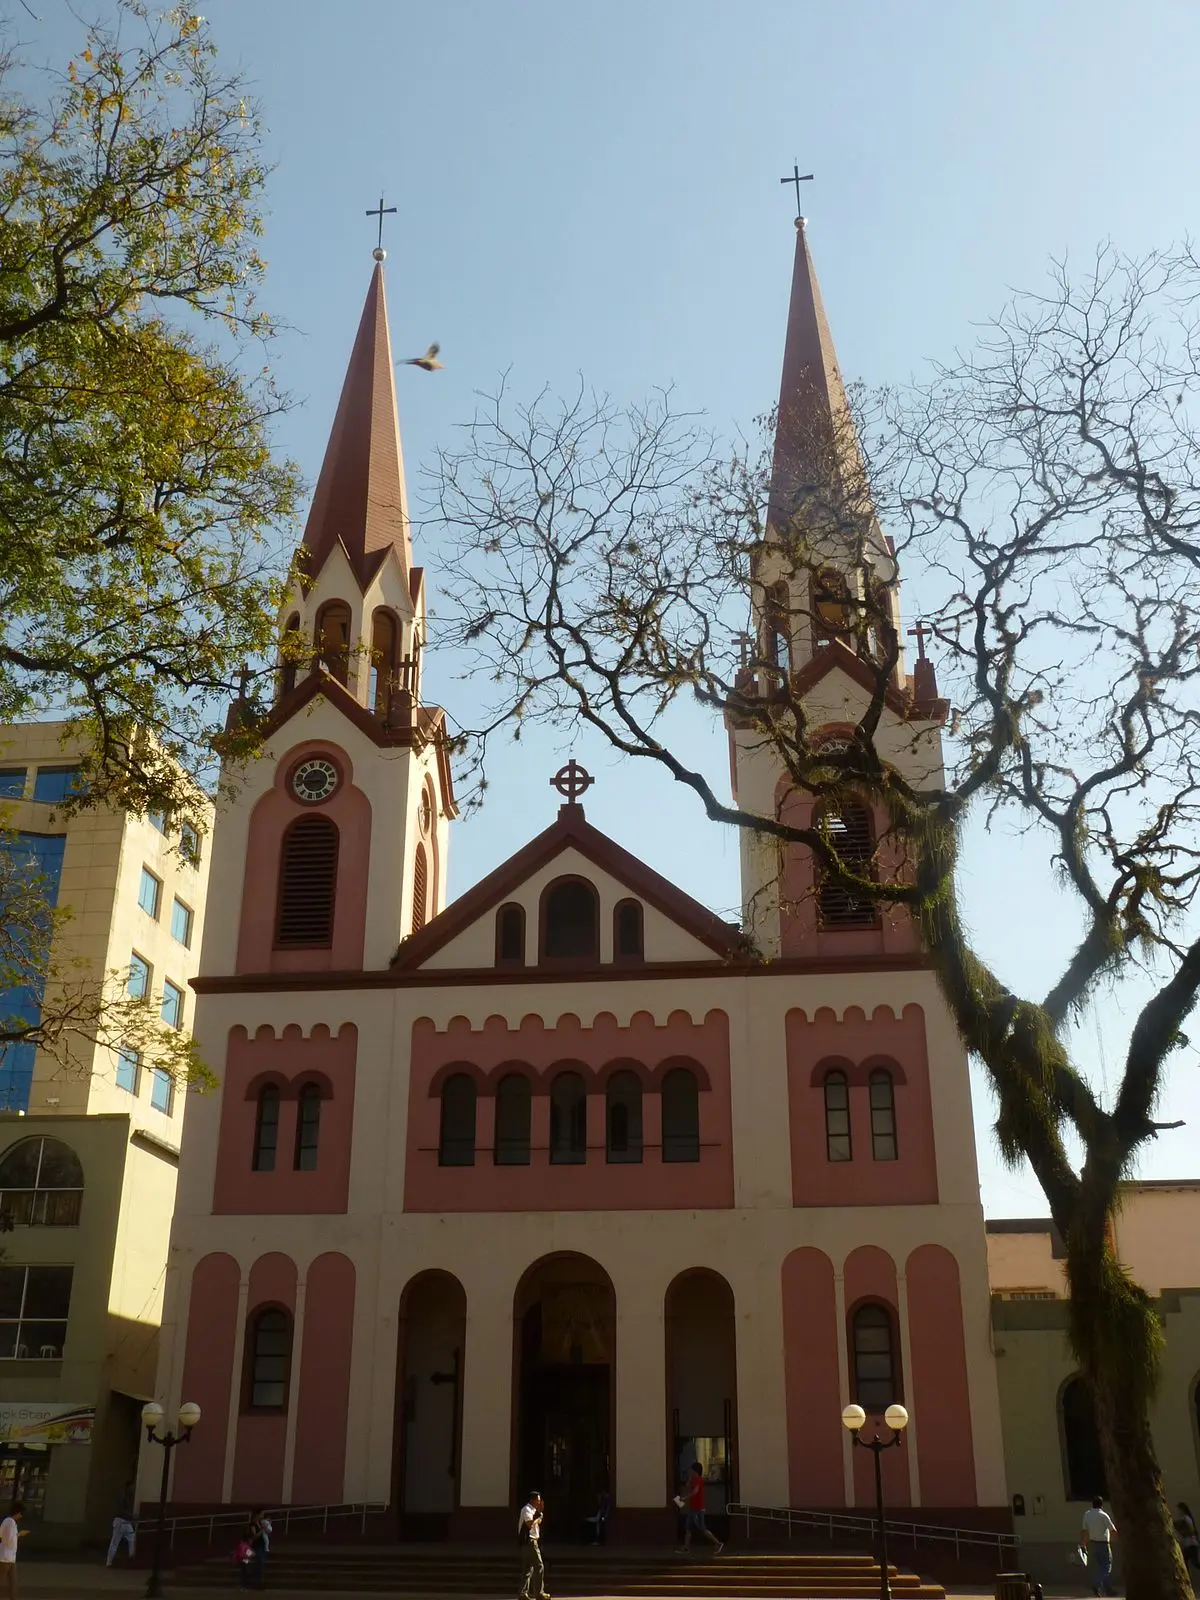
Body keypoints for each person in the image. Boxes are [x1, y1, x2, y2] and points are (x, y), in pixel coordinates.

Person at [676, 1462, 723, 1557]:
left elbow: (695, 1492)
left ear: (695, 1471)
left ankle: (718, 1543)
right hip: (693, 1508)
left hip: (698, 1509)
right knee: (688, 1527)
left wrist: (685, 1498)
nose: (690, 1472)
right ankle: (686, 1547)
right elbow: (688, 1488)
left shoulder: (698, 1480)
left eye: (691, 1470)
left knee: (702, 1529)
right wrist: (688, 1482)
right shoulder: (694, 1480)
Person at [1081, 1495, 1117, 1597]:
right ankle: (1096, 1583)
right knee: (1107, 1567)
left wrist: (1083, 1543)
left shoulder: (1087, 1514)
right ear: (1101, 1505)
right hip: (1104, 1544)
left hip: (1093, 1543)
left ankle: (1108, 1589)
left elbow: (1084, 1530)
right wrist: (1114, 1540)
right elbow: (1113, 1530)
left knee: (1101, 1567)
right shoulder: (1103, 1515)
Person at [517, 1490, 550, 1600]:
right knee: (539, 1566)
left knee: (528, 1569)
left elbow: (538, 1522)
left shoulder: (534, 1511)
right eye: (538, 1501)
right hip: (529, 1542)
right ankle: (539, 1593)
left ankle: (523, 1593)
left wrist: (539, 1514)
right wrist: (537, 1515)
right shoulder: (527, 1510)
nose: (539, 1503)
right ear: (533, 1500)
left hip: (533, 1540)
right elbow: (529, 1524)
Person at [240, 1508, 272, 1591]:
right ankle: (254, 1583)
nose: (262, 1516)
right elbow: (254, 1536)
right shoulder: (253, 1525)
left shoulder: (259, 1523)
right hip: (255, 1548)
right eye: (261, 1514)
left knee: (259, 1566)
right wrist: (262, 1530)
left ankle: (258, 1583)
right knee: (256, 1565)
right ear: (256, 1515)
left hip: (261, 1547)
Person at [106, 1481, 136, 1567]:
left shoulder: (129, 1496)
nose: (133, 1489)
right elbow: (120, 1510)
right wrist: (131, 1516)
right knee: (115, 1541)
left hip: (125, 1521)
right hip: (120, 1520)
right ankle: (109, 1561)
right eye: (132, 1487)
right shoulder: (123, 1496)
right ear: (128, 1487)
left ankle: (131, 1557)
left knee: (131, 1538)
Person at [0, 1502, 26, 1600]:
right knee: (4, 1580)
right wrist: (19, 1534)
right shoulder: (11, 1522)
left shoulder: (6, 1521)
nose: (21, 1516)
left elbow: (1, 1535)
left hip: (9, 1558)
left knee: (13, 1582)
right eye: (21, 1514)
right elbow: (11, 1540)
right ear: (18, 1513)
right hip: (6, 1558)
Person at [1175, 1502, 1200, 1574]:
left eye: (1179, 1510)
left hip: (1191, 1544)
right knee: (1184, 1563)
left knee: (1195, 1563)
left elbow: (1191, 1530)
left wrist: (1184, 1532)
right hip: (1187, 1545)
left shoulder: (1186, 1518)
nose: (1179, 1512)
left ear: (1183, 1510)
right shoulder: (1183, 1519)